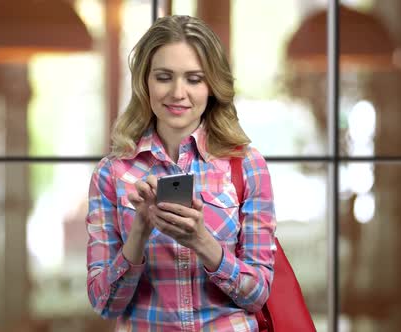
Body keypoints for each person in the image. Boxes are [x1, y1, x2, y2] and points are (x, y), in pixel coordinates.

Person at [86, 15, 276, 331]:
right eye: (164, 77)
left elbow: (257, 295)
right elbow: (105, 304)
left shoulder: (247, 167)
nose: (178, 92)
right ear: (145, 82)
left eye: (194, 78)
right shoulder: (112, 174)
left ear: (212, 86)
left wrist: (203, 242)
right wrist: (139, 233)